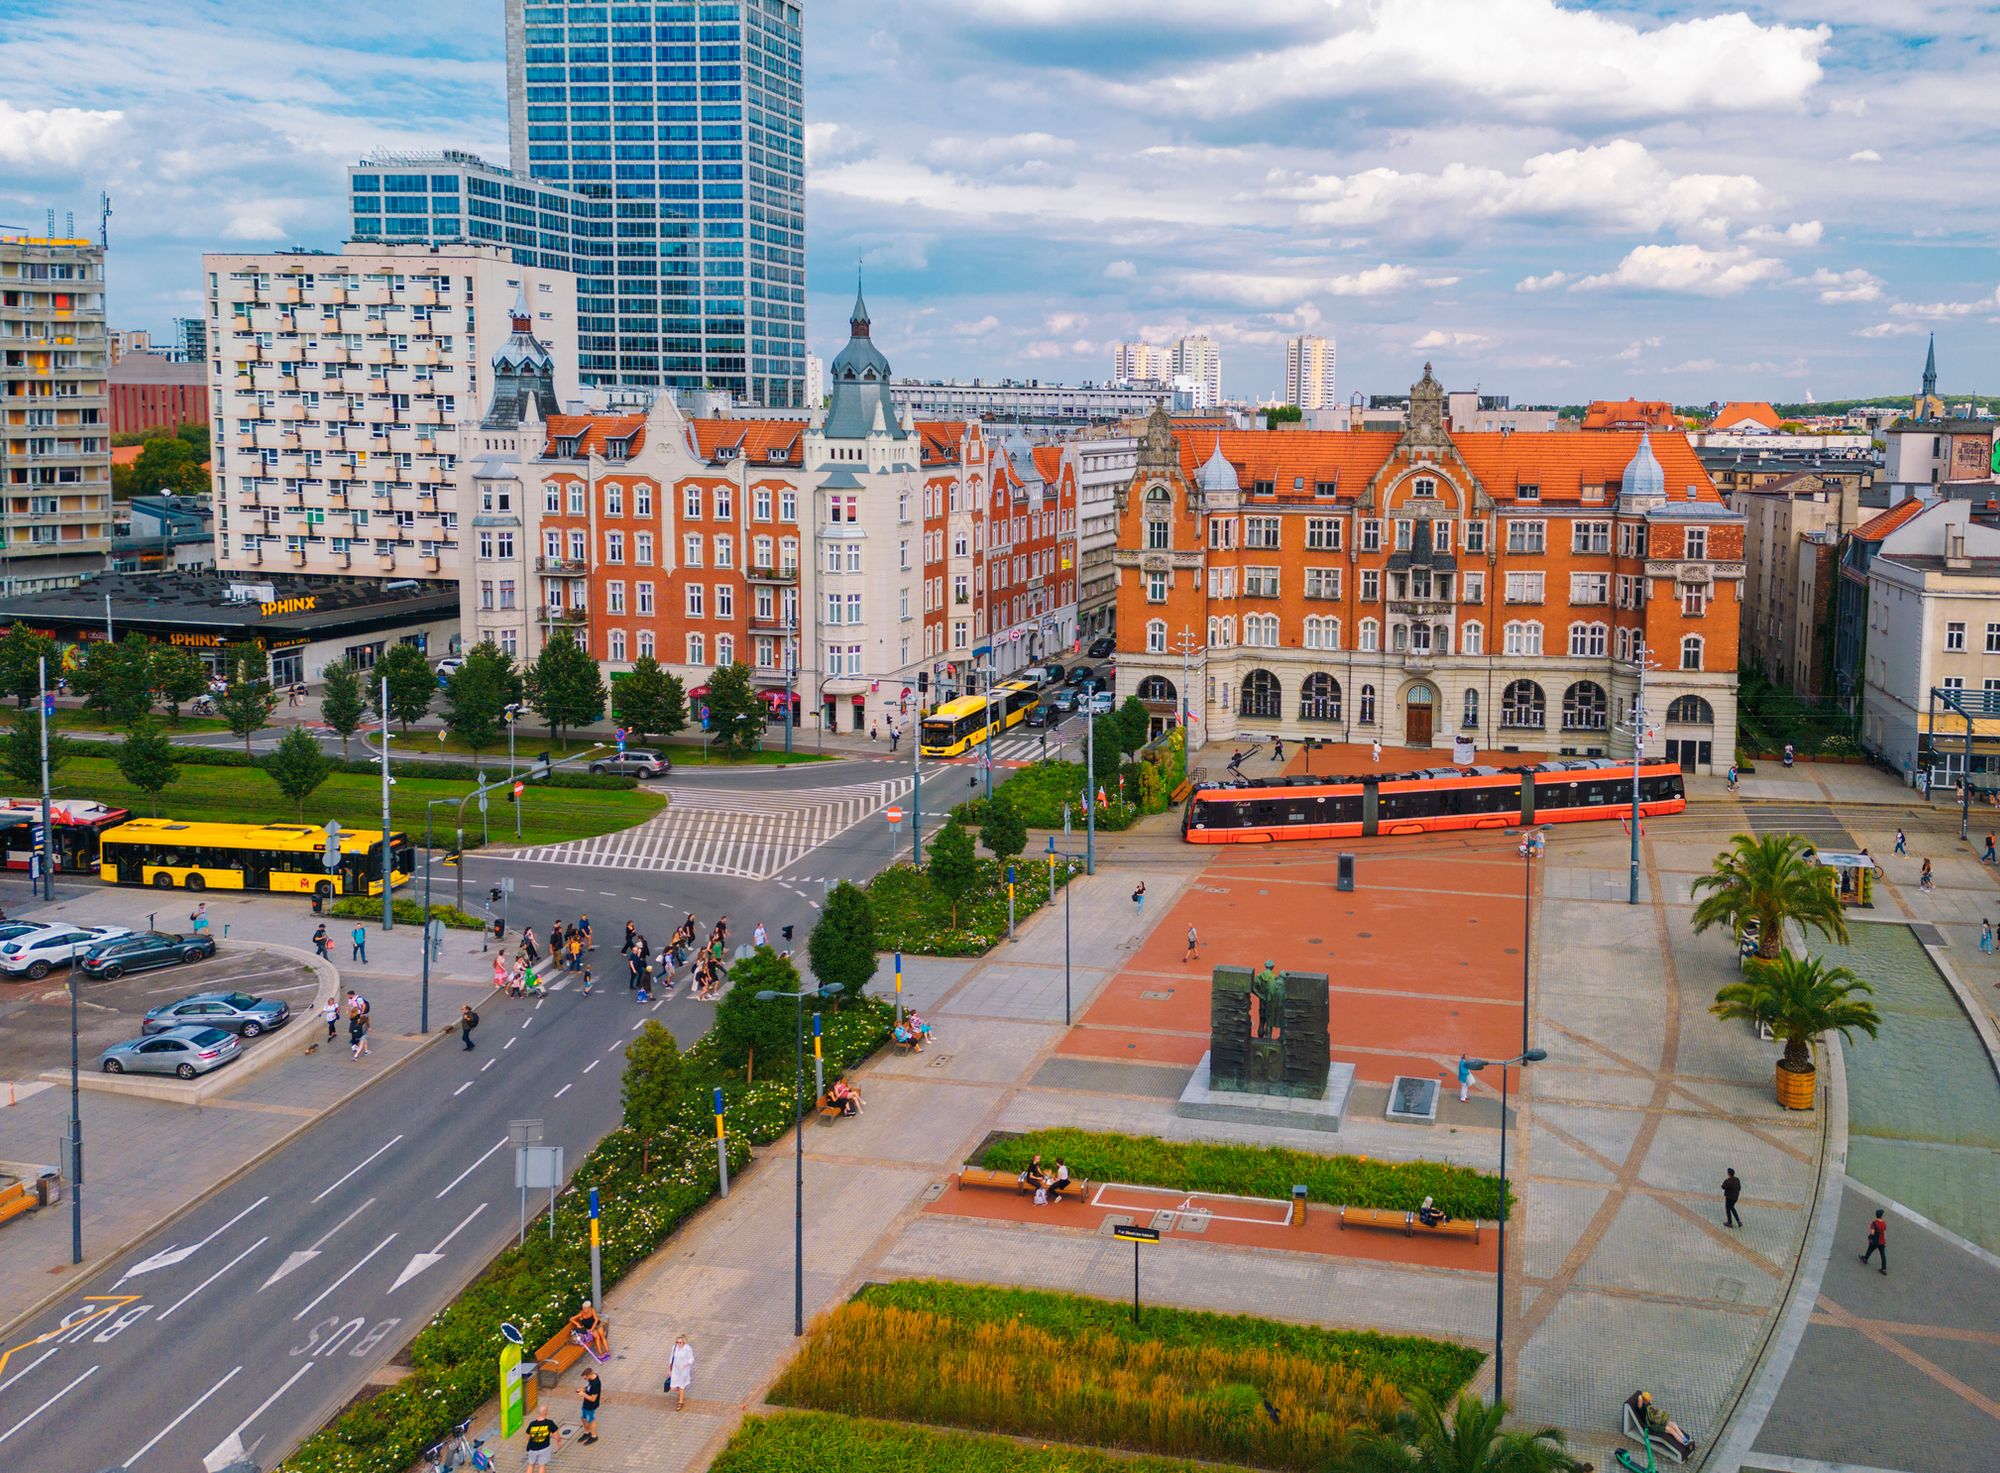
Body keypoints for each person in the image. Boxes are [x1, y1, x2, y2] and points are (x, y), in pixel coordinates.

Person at [667, 1333, 694, 1410]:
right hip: (675, 1369)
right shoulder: (674, 1348)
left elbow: (691, 1359)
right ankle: (680, 1393)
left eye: (680, 1342)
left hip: (683, 1370)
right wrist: (669, 1369)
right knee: (672, 1387)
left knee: (681, 1385)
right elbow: (671, 1358)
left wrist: (686, 1364)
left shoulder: (687, 1349)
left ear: (683, 1342)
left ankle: (680, 1402)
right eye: (677, 1342)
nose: (678, 1344)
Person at [577, 1364, 603, 1444]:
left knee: (591, 1420)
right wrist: (583, 1389)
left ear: (589, 1375)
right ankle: (587, 1432)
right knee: (583, 1418)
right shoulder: (592, 1379)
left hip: (591, 1405)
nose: (585, 1379)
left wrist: (583, 1394)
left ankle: (594, 1436)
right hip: (586, 1403)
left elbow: (593, 1398)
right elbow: (588, 1387)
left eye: (585, 1377)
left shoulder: (596, 1384)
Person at [1862, 1208, 1888, 1273]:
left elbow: (1872, 1233)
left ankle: (1865, 1258)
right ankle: (1884, 1269)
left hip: (1875, 1241)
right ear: (1881, 1216)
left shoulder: (1874, 1223)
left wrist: (1870, 1237)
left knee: (1870, 1249)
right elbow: (1884, 1231)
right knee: (1883, 1255)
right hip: (1882, 1241)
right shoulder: (1884, 1223)